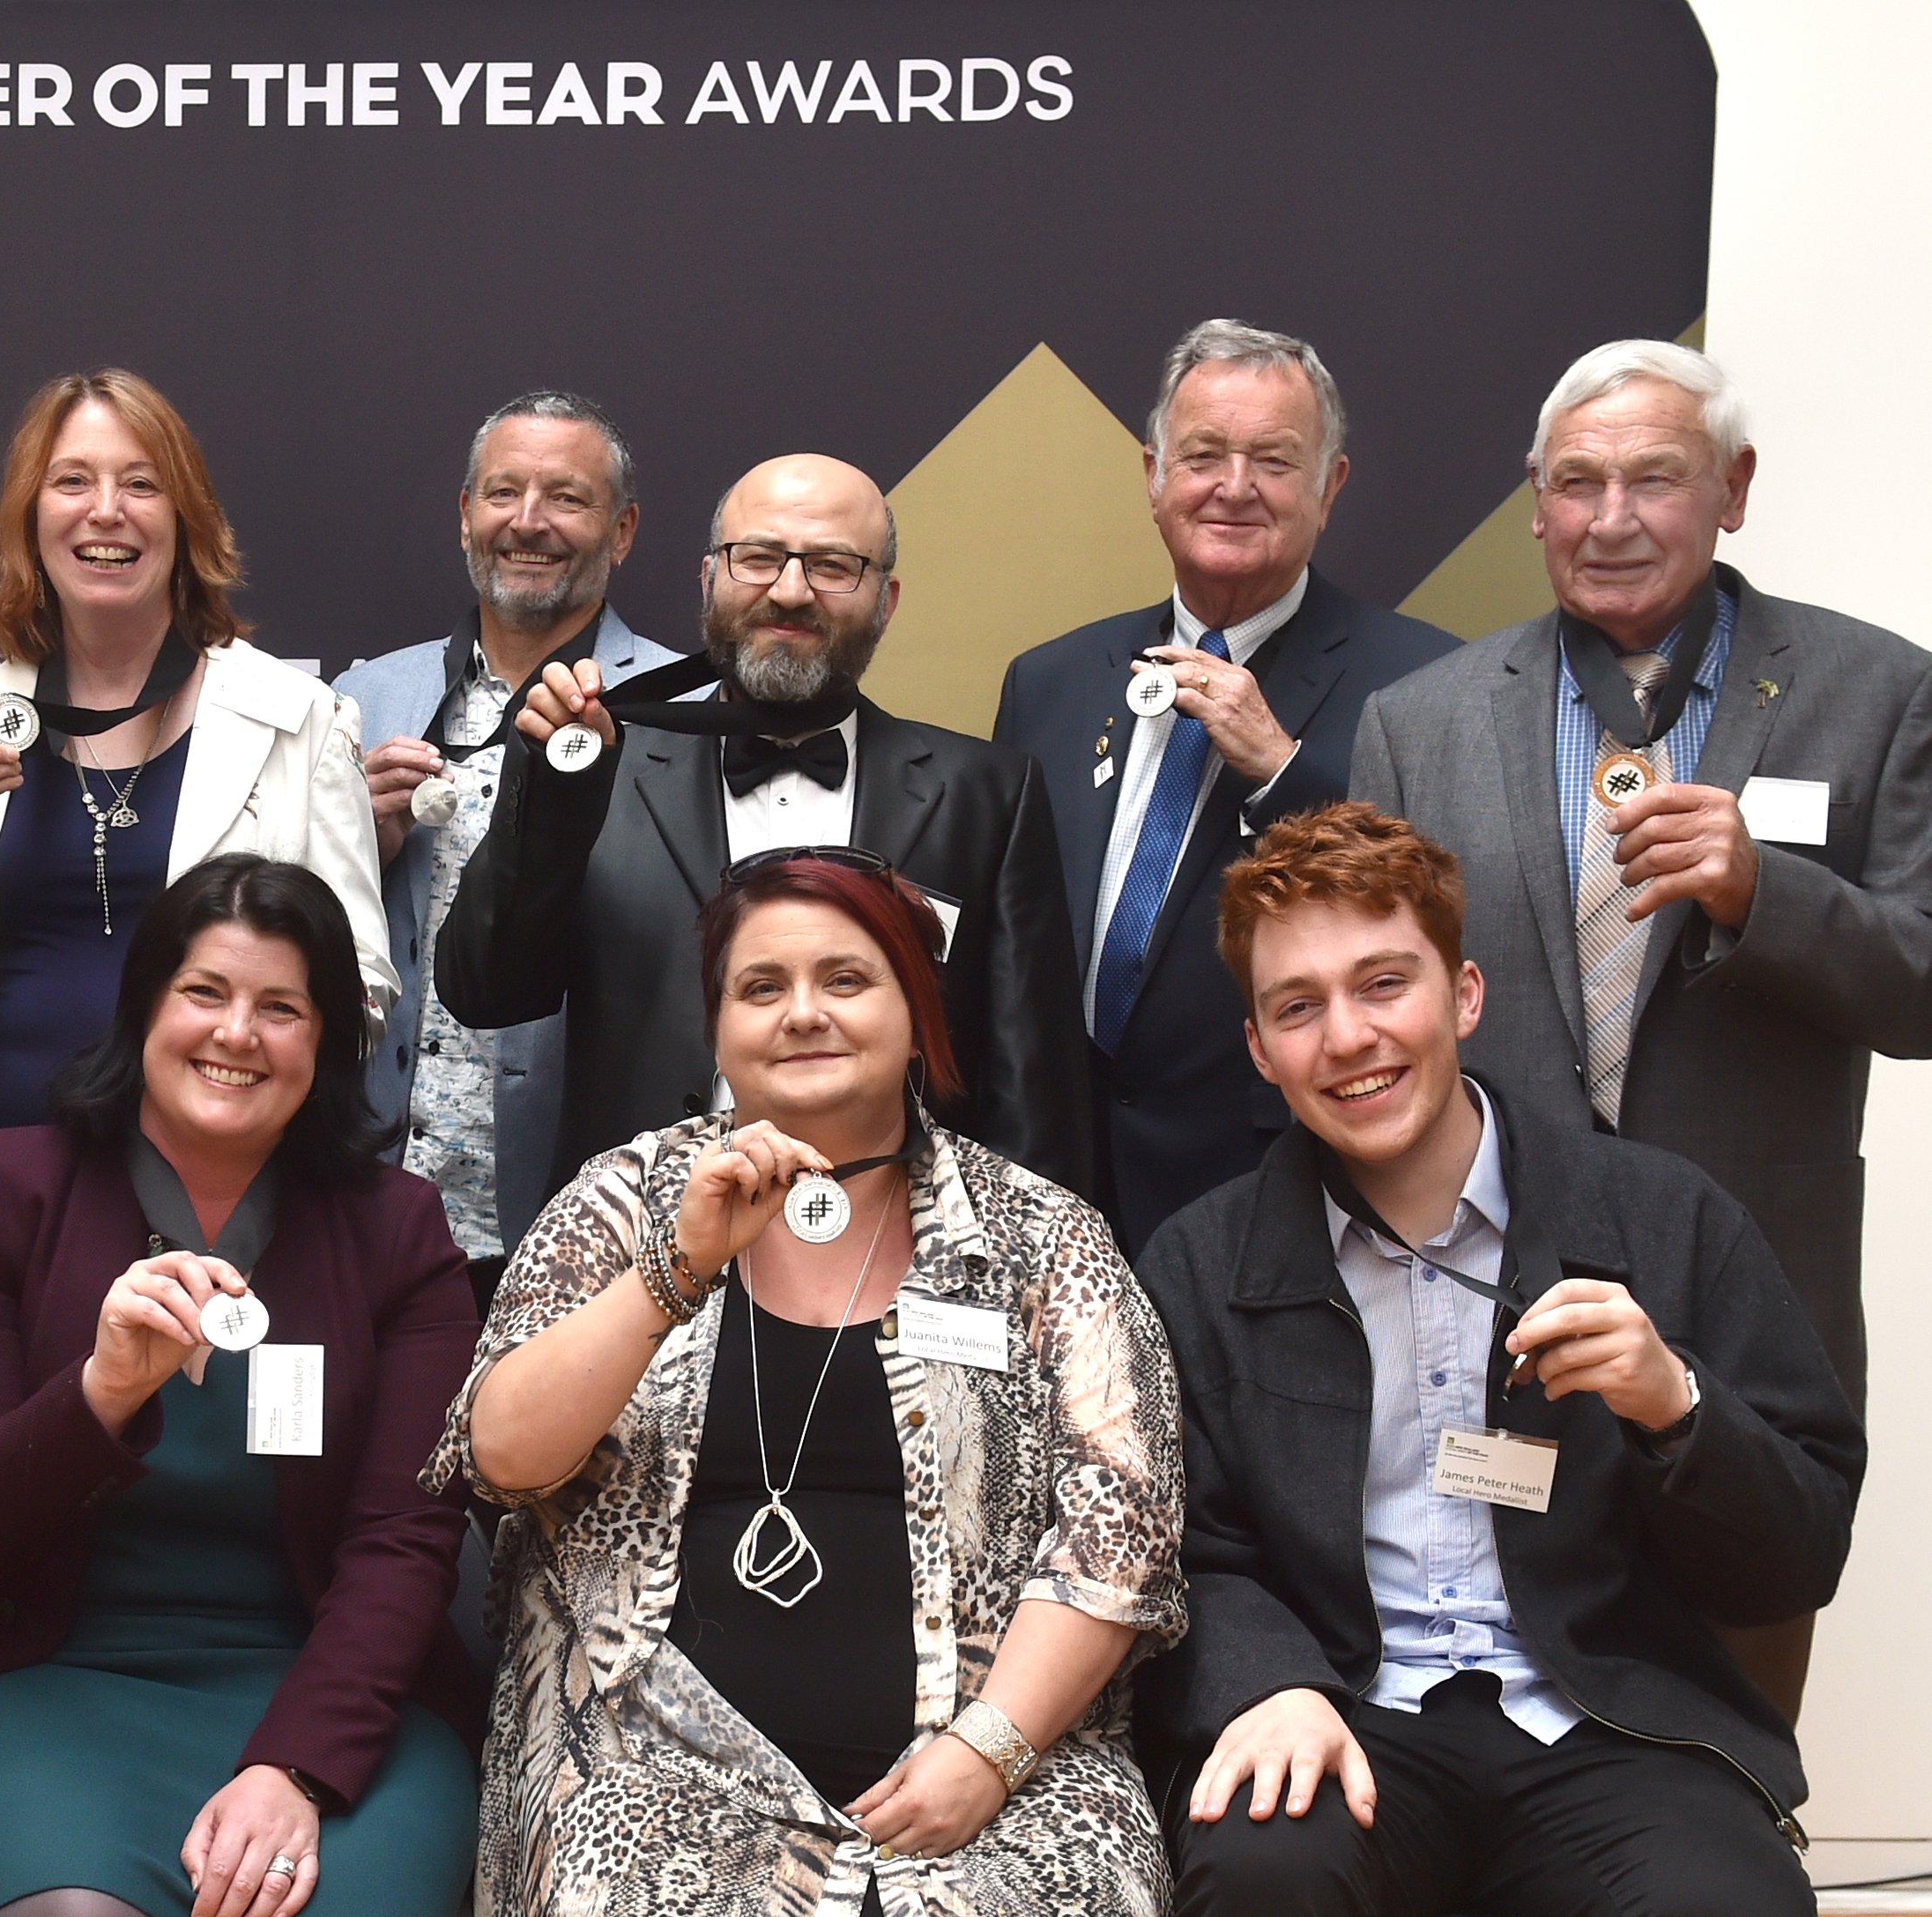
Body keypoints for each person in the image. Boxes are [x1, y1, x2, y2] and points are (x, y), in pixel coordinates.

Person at [1139, 801, 1861, 1917]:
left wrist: (1673, 1405)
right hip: (1336, 1707)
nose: (1346, 1038)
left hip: (1610, 1718)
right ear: (1258, 1050)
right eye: (1297, 1007)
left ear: (1462, 996)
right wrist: (1262, 1683)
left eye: (1384, 984)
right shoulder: (1196, 1263)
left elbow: (1795, 1557)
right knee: (1258, 1879)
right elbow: (1174, 1552)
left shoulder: (1665, 1218)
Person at [432, 846, 1181, 1914]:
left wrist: (992, 1749)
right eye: (760, 988)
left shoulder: (1043, 1238)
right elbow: (500, 1458)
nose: (801, 1014)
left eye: (845, 980)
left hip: (1000, 1780)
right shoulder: (620, 1199)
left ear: (917, 1012)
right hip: (644, 1767)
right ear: (716, 1029)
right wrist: (673, 1271)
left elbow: (1120, 1537)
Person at [1349, 338, 1929, 1712]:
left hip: (1750, 1287)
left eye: (1652, 479)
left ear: (1730, 489)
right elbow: (1375, 1007)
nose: (1609, 518)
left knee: (1727, 1707)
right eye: (1576, 483)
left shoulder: (1874, 691)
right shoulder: (1417, 721)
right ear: (1534, 505)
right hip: (1486, 1298)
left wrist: (1760, 890)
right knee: (1491, 1689)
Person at [0, 855, 480, 1917]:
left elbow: (404, 1543)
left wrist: (298, 1767)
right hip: (26, 1683)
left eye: (282, 1007)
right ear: (143, 1008)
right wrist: (97, 1394)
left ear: (323, 1044)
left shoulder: (395, 1231)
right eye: (204, 994)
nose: (237, 1034)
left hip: (326, 1694)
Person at [435, 455, 1093, 1199]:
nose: (789, 591)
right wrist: (549, 797)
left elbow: (1034, 1088)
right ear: (708, 577)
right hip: (640, 1245)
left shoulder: (985, 794)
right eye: (758, 558)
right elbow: (484, 993)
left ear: (887, 599)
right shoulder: (598, 769)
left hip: (896, 1255)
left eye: (832, 566)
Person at [0, 369, 393, 1220]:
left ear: (187, 521)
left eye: (142, 483)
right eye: (72, 481)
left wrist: (240, 1067)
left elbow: (360, 990)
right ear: (31, 519)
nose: (106, 510)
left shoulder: (300, 720)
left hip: (218, 1206)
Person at [992, 320, 1455, 1254]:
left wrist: (1278, 768)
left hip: (1277, 1185)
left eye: (1274, 461)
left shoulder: (1425, 685)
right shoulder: (1049, 680)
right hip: (1054, 1187)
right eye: (1202, 454)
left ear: (1328, 487)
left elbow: (1428, 925)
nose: (1232, 488)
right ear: (1153, 476)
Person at [334, 391, 680, 1307]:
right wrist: (350, 848)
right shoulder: (367, 695)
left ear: (621, 530)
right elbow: (283, 934)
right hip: (370, 1205)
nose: (528, 523)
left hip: (586, 1211)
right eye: (502, 493)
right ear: (463, 516)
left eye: (565, 498)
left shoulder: (679, 715)